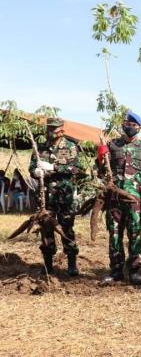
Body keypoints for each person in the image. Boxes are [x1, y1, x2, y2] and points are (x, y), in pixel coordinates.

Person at [97, 110, 141, 286]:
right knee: (115, 235)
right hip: (115, 199)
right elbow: (102, 171)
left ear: (139, 128)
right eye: (127, 124)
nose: (129, 127)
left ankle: (134, 271)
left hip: (135, 201)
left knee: (135, 234)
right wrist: (101, 155)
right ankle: (116, 271)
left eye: (133, 125)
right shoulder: (113, 145)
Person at [29, 117, 83, 276]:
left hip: (64, 196)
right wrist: (35, 171)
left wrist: (54, 167)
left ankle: (72, 264)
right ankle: (47, 265)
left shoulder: (70, 147)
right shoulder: (40, 148)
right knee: (46, 229)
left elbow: (76, 169)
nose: (51, 132)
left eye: (54, 129)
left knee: (66, 228)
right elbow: (32, 166)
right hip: (45, 195)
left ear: (62, 131)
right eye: (49, 129)